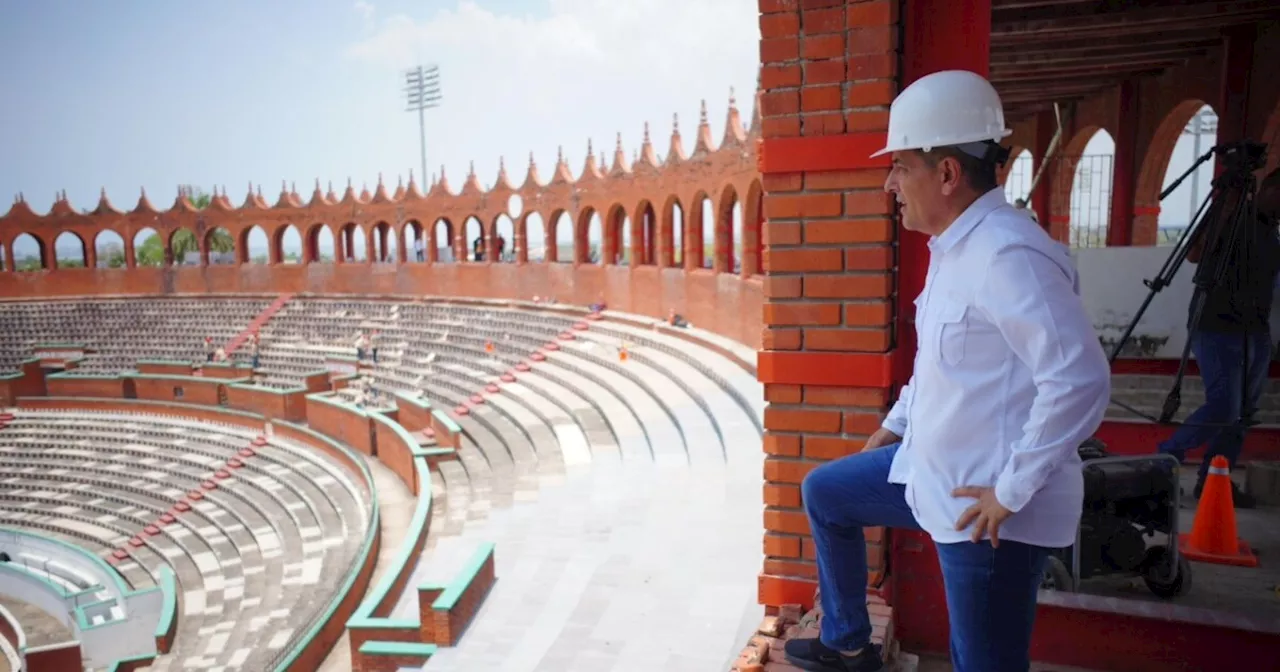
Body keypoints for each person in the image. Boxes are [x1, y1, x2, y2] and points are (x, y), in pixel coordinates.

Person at [784, 70, 1111, 672]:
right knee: (827, 492)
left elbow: (1079, 379)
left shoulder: (1007, 255)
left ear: (948, 173)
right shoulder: (957, 246)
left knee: (980, 663)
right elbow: (940, 361)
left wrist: (1009, 492)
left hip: (985, 511)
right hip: (934, 471)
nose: (891, 184)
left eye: (901, 166)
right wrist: (897, 423)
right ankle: (846, 640)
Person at [1155, 168, 1280, 507]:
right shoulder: (1234, 217)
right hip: (1216, 325)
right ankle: (1162, 462)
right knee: (1225, 406)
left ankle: (1215, 479)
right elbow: (1195, 254)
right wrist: (1226, 204)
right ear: (1269, 190)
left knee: (1244, 412)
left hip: (1254, 331)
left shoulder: (1272, 232)